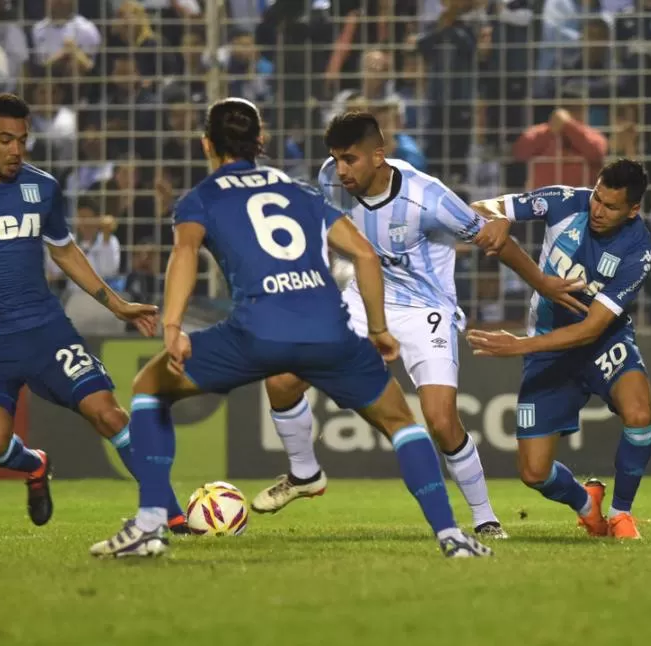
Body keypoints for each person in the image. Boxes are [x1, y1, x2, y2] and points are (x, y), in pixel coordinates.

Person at [89, 98, 493, 559]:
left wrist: (173, 325)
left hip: (257, 331)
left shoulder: (201, 199)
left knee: (149, 387)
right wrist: (378, 329)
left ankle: (150, 525)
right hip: (330, 329)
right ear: (260, 142)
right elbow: (363, 255)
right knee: (403, 423)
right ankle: (451, 537)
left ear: (206, 144)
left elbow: (184, 256)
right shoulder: (301, 191)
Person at [253, 111, 584, 538]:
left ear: (379, 155)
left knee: (441, 422)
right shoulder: (330, 178)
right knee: (280, 380)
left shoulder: (429, 199)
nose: (340, 169)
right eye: (335, 158)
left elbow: (494, 241)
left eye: (350, 159)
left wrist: (543, 282)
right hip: (362, 301)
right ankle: (303, 475)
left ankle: (484, 517)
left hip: (426, 310)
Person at [0, 93, 188, 531]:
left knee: (109, 413)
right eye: (5, 140)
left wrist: (118, 304)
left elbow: (65, 252)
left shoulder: (42, 187)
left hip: (47, 331)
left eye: (22, 140)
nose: (15, 150)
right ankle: (34, 466)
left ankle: (173, 515)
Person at [467, 159, 651, 540]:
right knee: (534, 473)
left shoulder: (639, 252)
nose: (598, 210)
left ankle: (621, 514)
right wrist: (498, 215)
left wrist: (520, 346)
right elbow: (476, 208)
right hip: (550, 346)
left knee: (639, 412)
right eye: (597, 198)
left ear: (633, 210)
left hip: (604, 342)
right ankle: (586, 504)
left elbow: (591, 329)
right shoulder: (565, 201)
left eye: (611, 206)